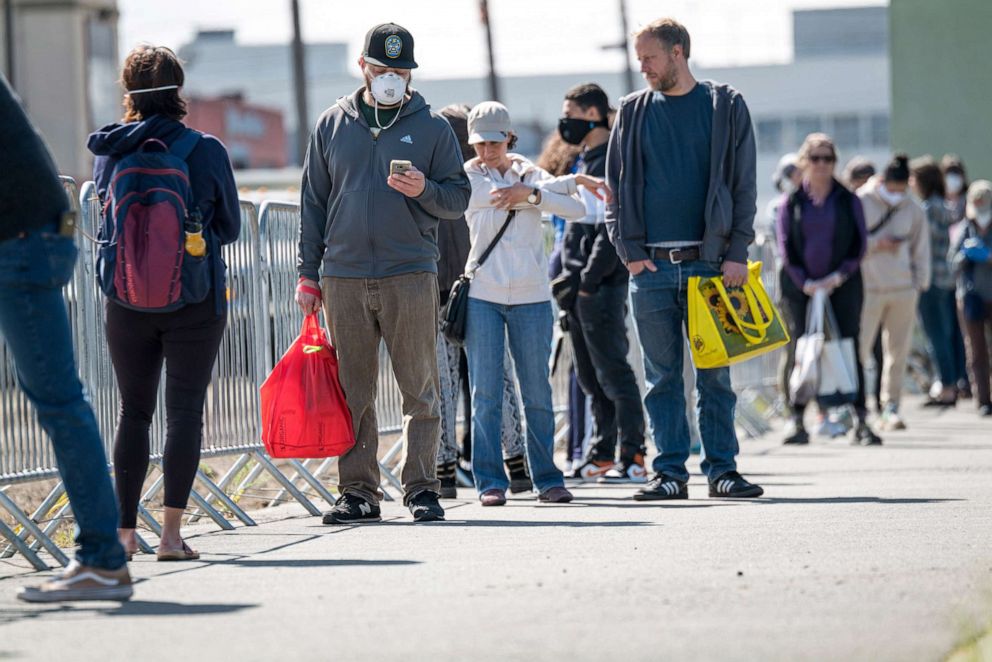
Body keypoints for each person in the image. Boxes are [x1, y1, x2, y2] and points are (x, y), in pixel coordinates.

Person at [297, 24, 470, 523]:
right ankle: (358, 492)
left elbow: (458, 199)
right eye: (383, 69)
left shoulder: (433, 127)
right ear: (363, 67)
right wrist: (308, 274)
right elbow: (313, 203)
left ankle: (421, 488)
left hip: (410, 272)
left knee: (420, 387)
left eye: (400, 71)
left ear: (410, 75)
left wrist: (424, 191)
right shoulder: (332, 123)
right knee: (354, 391)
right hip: (343, 276)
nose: (391, 78)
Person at [88, 46, 240, 560]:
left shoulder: (109, 151)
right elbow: (231, 228)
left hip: (126, 301)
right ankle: (172, 537)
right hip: (195, 298)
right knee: (184, 414)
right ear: (178, 89)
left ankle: (125, 536)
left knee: (133, 412)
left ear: (127, 90)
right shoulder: (206, 149)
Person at [605, 17, 764, 499]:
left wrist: (737, 251)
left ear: (678, 53)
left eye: (649, 58)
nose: (643, 68)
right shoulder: (632, 110)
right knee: (661, 379)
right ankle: (669, 473)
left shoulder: (725, 105)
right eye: (639, 60)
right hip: (650, 267)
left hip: (710, 266)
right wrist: (629, 253)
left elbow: (744, 185)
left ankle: (722, 470)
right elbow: (613, 189)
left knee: (716, 377)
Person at [1, 75, 132, 602]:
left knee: (60, 404)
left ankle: (102, 558)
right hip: (32, 239)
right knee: (62, 403)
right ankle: (103, 557)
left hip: (19, 246)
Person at [463, 101, 589, 506]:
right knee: (485, 393)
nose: (487, 151)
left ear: (508, 137)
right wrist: (544, 193)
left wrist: (533, 193)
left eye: (494, 142)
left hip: (533, 296)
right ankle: (489, 482)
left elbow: (576, 208)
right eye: (479, 144)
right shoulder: (468, 176)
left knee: (536, 390)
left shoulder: (528, 173)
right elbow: (495, 196)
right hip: (484, 293)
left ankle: (548, 478)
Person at [434, 103, 530, 499]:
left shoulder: (433, 174)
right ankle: (518, 466)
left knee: (442, 382)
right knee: (497, 378)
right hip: (481, 283)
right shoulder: (485, 174)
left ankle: (443, 472)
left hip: (437, 283)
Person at [556, 83, 647, 484]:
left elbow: (610, 230)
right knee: (590, 377)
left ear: (593, 114)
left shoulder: (612, 157)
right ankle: (602, 453)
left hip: (600, 287)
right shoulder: (583, 159)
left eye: (571, 112)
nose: (566, 121)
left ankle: (634, 455)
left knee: (613, 373)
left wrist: (589, 282)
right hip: (576, 286)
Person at [777, 133, 881, 446]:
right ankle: (796, 419)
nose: (822, 164)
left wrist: (838, 276)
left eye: (828, 159)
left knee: (848, 346)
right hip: (801, 287)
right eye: (816, 158)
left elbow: (860, 244)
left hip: (843, 285)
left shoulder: (848, 200)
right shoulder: (792, 202)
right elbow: (784, 246)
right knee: (801, 348)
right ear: (804, 162)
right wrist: (804, 281)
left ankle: (861, 418)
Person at [856, 154, 931, 430]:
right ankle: (856, 405)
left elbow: (921, 249)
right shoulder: (862, 201)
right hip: (869, 287)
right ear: (883, 181)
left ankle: (891, 407)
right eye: (893, 189)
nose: (897, 195)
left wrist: (919, 283)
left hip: (903, 288)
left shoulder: (912, 208)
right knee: (860, 350)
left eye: (902, 190)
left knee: (897, 352)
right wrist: (877, 244)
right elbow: (852, 242)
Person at [537, 131, 587, 471]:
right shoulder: (586, 162)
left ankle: (577, 447)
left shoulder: (555, 164)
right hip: (575, 260)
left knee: (575, 361)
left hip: (560, 259)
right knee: (586, 360)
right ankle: (583, 447)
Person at [911, 156, 964, 406]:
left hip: (929, 279)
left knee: (936, 336)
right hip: (947, 278)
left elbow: (921, 244)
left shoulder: (927, 209)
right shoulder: (943, 205)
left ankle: (946, 386)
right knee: (948, 333)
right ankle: (953, 382)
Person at [951, 180, 992, 417]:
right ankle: (983, 400)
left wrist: (988, 257)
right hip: (971, 297)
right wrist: (964, 255)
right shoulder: (965, 228)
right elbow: (951, 262)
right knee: (976, 352)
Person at [942, 154, 970, 223]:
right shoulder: (937, 203)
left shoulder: (969, 202)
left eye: (956, 173)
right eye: (949, 172)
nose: (953, 178)